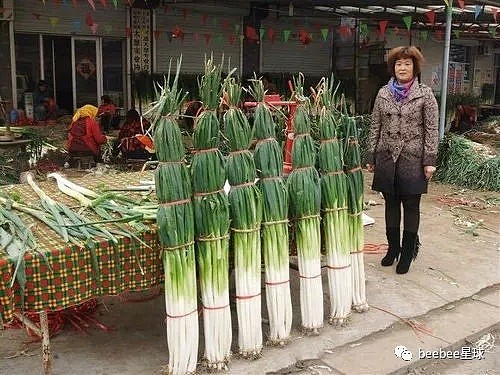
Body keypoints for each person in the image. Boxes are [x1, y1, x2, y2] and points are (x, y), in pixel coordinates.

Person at [366, 46, 439, 274]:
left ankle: (407, 253)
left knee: (410, 206)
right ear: (393, 67)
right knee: (390, 205)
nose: (402, 68)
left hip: (413, 158)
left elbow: (431, 129)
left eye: (407, 63)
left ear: (414, 67)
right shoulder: (383, 93)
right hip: (387, 157)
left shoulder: (425, 94)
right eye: (398, 64)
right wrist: (371, 155)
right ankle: (392, 249)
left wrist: (430, 160)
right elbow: (375, 126)